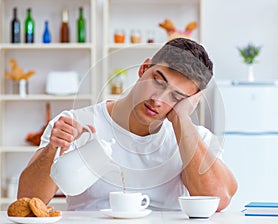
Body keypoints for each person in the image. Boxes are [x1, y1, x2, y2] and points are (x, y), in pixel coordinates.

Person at [18, 38, 237, 211]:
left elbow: (219, 200)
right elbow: (27, 200)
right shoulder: (76, 124)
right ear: (143, 69)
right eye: (158, 82)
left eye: (176, 97)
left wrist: (181, 120)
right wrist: (53, 149)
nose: (158, 100)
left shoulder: (194, 138)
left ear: (191, 101)